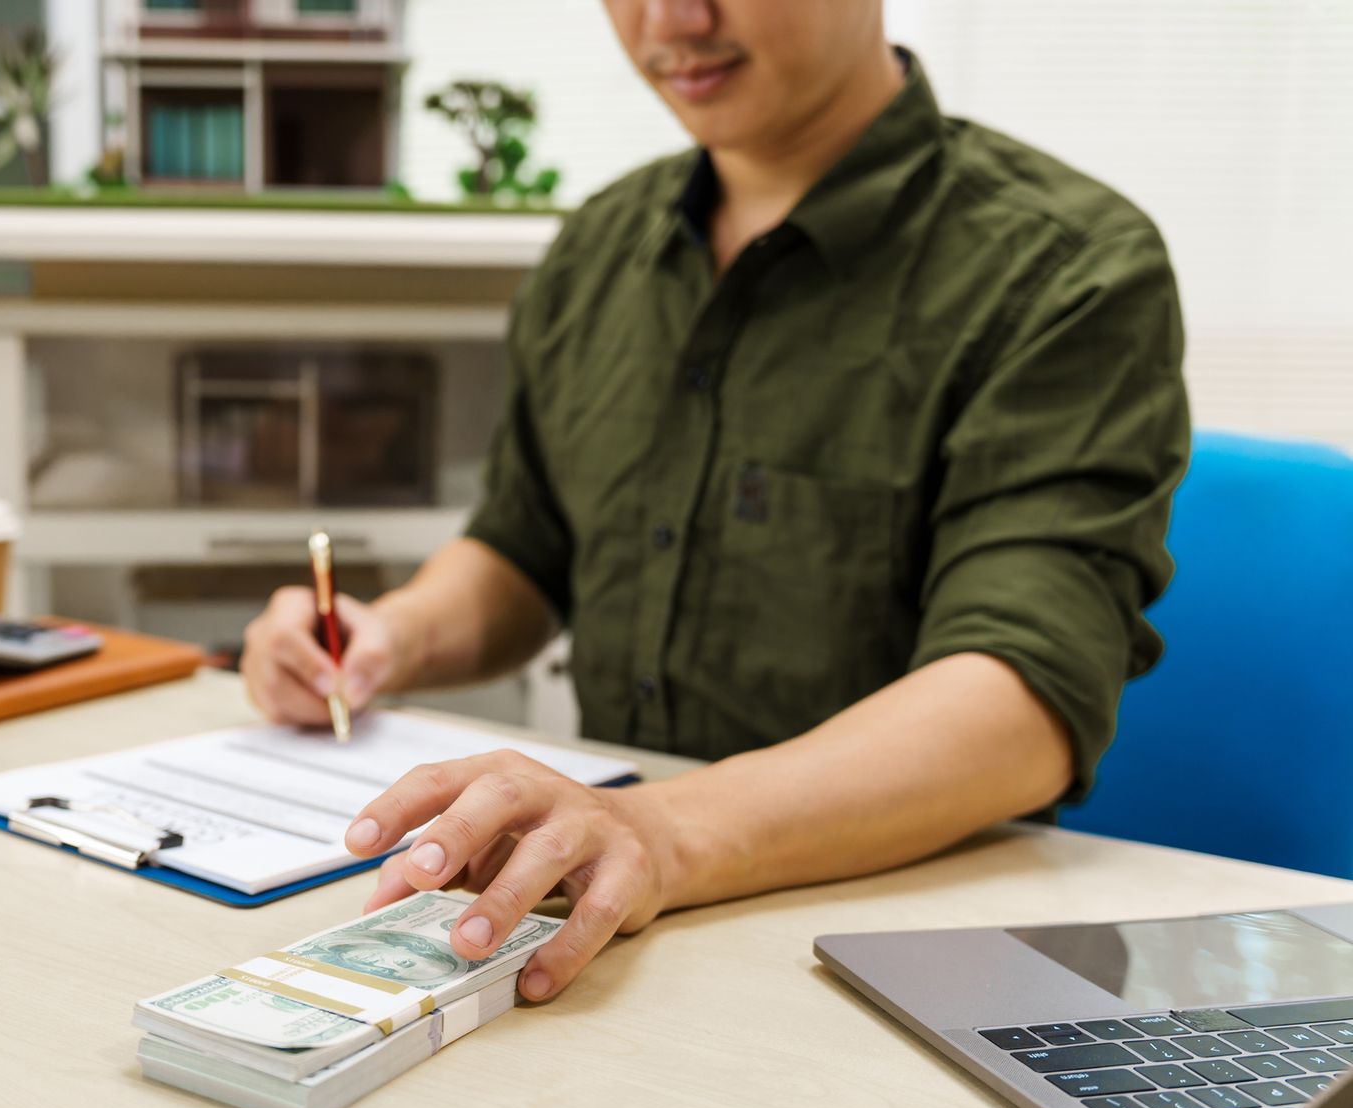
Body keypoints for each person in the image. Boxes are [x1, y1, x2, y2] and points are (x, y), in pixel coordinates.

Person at [241, 0, 1189, 1004]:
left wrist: (659, 829)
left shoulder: (1066, 267)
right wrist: (386, 635)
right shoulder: (600, 247)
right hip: (610, 927)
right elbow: (526, 547)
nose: (673, 20)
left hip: (905, 947)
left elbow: (1021, 702)